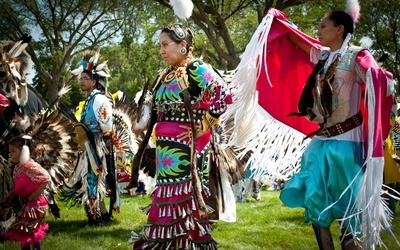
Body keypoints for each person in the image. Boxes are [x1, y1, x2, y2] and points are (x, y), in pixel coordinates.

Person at [277, 5, 394, 250]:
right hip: (320, 144)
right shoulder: (322, 57)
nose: (318, 31)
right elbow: (299, 42)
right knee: (316, 203)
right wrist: (278, 23)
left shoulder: (356, 56)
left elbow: (377, 78)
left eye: (323, 26)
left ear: (339, 29)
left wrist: (380, 76)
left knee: (347, 211)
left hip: (347, 145)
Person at [128, 22, 232, 249]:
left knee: (185, 196)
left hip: (186, 149)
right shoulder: (166, 74)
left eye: (166, 45)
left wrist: (203, 124)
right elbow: (154, 107)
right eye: (160, 46)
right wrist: (143, 123)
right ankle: (169, 242)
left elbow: (223, 95)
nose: (161, 51)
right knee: (168, 195)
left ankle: (187, 242)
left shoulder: (197, 68)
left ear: (183, 45)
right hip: (165, 151)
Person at [67, 49, 115, 226]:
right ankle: (99, 214)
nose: (82, 81)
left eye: (86, 78)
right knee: (90, 180)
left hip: (97, 145)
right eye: (81, 78)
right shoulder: (89, 100)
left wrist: (102, 144)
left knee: (93, 180)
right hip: (88, 146)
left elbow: (106, 126)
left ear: (94, 81)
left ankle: (97, 218)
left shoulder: (99, 100)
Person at [1, 135, 50, 250]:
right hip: (28, 202)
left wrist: (38, 193)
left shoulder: (30, 165)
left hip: (35, 203)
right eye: (10, 151)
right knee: (27, 231)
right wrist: (12, 194)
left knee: (28, 230)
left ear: (23, 151)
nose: (10, 154)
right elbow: (22, 185)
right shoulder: (19, 167)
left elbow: (46, 177)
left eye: (13, 151)